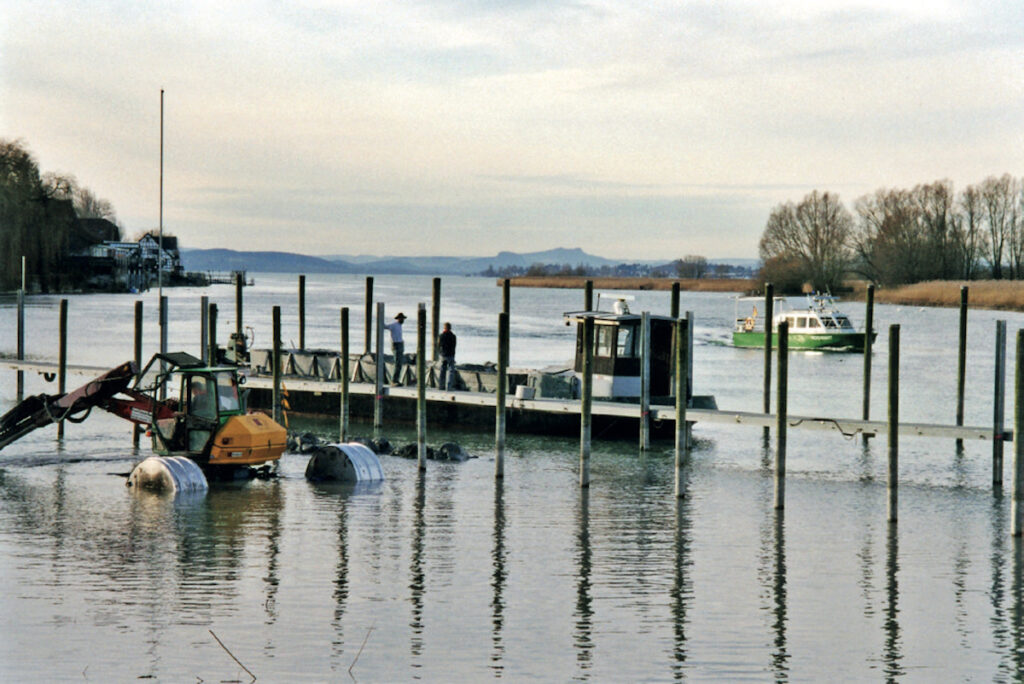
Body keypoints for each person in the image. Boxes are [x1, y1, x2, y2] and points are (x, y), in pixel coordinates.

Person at [385, 312, 407, 385]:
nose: (403, 320)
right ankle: (394, 380)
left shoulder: (400, 326)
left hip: (400, 343)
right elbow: (385, 326)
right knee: (397, 363)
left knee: (399, 363)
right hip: (396, 344)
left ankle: (396, 380)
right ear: (398, 319)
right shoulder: (394, 325)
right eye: (402, 319)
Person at [438, 322, 457, 390]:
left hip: (443, 355)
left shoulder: (441, 335)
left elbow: (438, 345)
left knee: (442, 370)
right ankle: (449, 387)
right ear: (450, 328)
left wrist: (440, 353)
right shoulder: (453, 336)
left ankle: (441, 386)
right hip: (450, 355)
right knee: (451, 371)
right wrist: (453, 354)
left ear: (444, 328)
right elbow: (454, 346)